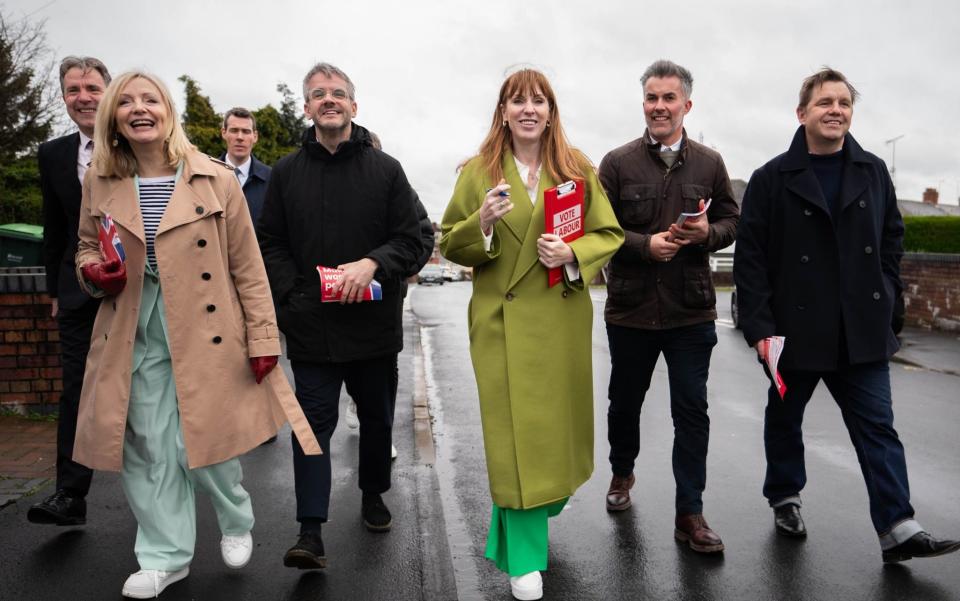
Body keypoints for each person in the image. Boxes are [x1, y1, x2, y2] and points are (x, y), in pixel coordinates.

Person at [72, 71, 320, 598]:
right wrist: (93, 271)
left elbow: (248, 268)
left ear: (168, 112)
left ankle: (234, 515)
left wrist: (263, 339)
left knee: (203, 442)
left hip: (207, 328)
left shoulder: (215, 178)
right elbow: (86, 246)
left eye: (151, 100)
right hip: (134, 329)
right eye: (127, 102)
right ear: (114, 116)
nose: (140, 109)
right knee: (148, 448)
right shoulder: (100, 179)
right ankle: (165, 556)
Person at [734, 67, 960, 563]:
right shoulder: (772, 177)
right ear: (802, 113)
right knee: (785, 421)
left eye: (843, 103)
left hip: (860, 328)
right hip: (793, 332)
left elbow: (891, 239)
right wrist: (761, 329)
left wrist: (890, 297)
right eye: (824, 103)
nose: (835, 110)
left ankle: (898, 525)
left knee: (878, 427)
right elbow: (750, 258)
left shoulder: (873, 170)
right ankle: (785, 496)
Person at [440, 68, 623, 600]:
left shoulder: (577, 169)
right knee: (514, 440)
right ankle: (523, 557)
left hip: (560, 320)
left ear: (550, 111)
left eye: (538, 101)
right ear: (503, 111)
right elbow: (451, 241)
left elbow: (607, 233)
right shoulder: (477, 172)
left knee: (553, 441)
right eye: (517, 101)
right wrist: (485, 224)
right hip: (501, 324)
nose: (528, 109)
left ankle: (541, 504)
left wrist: (573, 253)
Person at [257, 62, 422, 570]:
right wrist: (294, 297)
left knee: (375, 423)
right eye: (319, 94)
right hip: (312, 332)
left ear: (354, 105)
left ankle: (373, 493)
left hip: (373, 330)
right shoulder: (285, 173)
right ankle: (310, 530)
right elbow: (270, 244)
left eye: (338, 94)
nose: (329, 100)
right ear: (306, 108)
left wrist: (373, 263)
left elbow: (415, 238)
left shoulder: (386, 169)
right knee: (311, 427)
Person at [598, 59, 739, 554]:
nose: (660, 106)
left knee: (692, 411)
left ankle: (690, 514)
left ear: (686, 105)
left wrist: (709, 234)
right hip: (631, 311)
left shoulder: (710, 162)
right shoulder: (616, 163)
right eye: (652, 98)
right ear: (644, 105)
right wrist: (644, 245)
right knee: (624, 404)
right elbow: (601, 231)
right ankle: (622, 471)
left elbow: (730, 220)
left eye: (669, 98)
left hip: (689, 311)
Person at [31, 56, 111, 527]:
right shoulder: (53, 154)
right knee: (76, 389)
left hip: (137, 288)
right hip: (77, 287)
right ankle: (70, 493)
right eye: (73, 89)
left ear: (108, 91)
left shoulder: (137, 142)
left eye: (92, 88)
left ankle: (172, 491)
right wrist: (54, 289)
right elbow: (54, 226)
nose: (83, 97)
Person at [344, 130, 436, 461]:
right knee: (345, 362)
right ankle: (355, 402)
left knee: (383, 370)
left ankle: (382, 433)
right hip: (338, 297)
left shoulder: (398, 186)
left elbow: (424, 234)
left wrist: (399, 266)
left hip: (385, 298)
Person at [220, 107, 271, 222]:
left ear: (255, 136)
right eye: (234, 130)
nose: (240, 137)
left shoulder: (271, 179)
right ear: (224, 133)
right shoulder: (208, 176)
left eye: (246, 131)